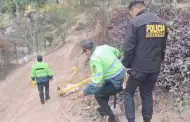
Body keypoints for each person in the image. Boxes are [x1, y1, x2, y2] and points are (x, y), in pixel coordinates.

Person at [122, 1, 168, 122]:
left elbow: (128, 47)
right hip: (154, 68)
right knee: (147, 94)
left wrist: (126, 65)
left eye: (130, 13)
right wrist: (158, 63)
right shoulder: (161, 22)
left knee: (128, 93)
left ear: (134, 10)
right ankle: (147, 120)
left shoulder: (135, 22)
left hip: (138, 69)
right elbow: (163, 47)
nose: (131, 16)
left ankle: (131, 120)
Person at [78, 40, 125, 122]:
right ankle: (104, 108)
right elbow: (117, 53)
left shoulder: (94, 59)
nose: (86, 54)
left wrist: (85, 92)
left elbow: (96, 81)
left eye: (85, 52)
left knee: (98, 94)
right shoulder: (104, 47)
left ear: (88, 50)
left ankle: (112, 118)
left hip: (116, 81)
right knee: (103, 87)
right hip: (123, 75)